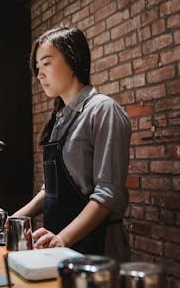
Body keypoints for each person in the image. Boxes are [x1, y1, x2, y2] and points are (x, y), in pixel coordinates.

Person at [11, 26, 131, 262]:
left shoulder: (103, 110)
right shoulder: (60, 119)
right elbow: (50, 190)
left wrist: (63, 238)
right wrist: (11, 220)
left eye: (46, 63)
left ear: (73, 60)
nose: (39, 74)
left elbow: (108, 194)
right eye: (37, 67)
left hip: (96, 246)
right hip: (61, 246)